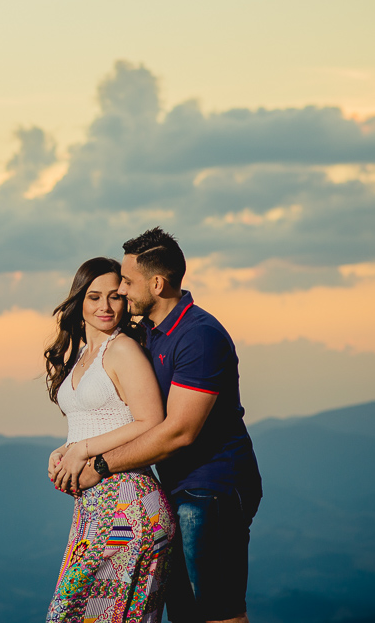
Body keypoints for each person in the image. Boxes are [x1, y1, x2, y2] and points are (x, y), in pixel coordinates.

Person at [66, 228, 262, 623]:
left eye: (126, 281)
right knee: (185, 615)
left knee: (219, 614)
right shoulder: (152, 334)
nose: (120, 289)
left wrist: (99, 464)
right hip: (177, 488)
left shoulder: (199, 336)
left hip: (212, 488)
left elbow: (179, 431)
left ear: (157, 284)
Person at [44, 256, 177, 623]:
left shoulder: (123, 350)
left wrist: (83, 450)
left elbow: (151, 420)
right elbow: (95, 421)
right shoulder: (83, 356)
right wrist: (65, 451)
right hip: (95, 507)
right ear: (79, 302)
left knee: (66, 616)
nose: (105, 306)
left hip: (128, 504)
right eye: (94, 297)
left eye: (115, 296)